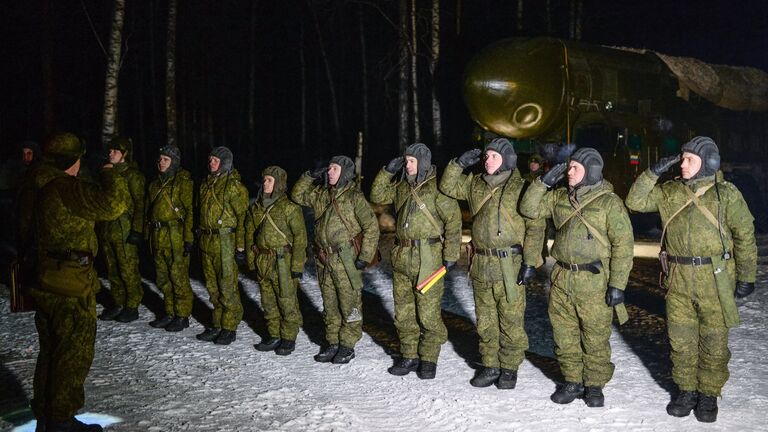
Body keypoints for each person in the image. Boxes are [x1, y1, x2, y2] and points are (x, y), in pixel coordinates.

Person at [625, 136, 757, 423]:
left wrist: (747, 275)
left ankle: (708, 395)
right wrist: (653, 172)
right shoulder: (670, 191)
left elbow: (745, 236)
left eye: (689, 159)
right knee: (681, 340)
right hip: (678, 278)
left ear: (708, 162)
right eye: (682, 158)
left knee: (713, 341)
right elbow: (634, 201)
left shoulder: (726, 194)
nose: (683, 164)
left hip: (715, 279)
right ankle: (686, 391)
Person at [29, 132, 129, 431]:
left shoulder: (32, 183)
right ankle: (61, 420)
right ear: (72, 160)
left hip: (44, 277)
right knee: (73, 351)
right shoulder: (65, 187)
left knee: (50, 349)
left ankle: (47, 416)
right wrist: (108, 172)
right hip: (70, 281)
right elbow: (114, 205)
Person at [520, 147, 633, 407]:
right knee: (564, 333)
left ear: (591, 171)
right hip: (561, 277)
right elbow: (529, 209)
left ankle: (594, 385)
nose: (569, 172)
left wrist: (617, 284)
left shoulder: (609, 202)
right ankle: (572, 380)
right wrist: (543, 183)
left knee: (595, 335)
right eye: (569, 167)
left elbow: (624, 246)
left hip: (594, 279)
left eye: (575, 168)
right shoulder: (560, 197)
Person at [440, 138, 546, 389]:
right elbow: (447, 187)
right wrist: (458, 164)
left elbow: (535, 226)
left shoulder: (521, 188)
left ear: (507, 160)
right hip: (481, 264)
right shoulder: (475, 185)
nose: (487, 161)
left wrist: (530, 261)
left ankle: (509, 368)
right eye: (486, 156)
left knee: (510, 319)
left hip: (509, 265)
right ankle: (490, 365)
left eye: (494, 156)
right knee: (485, 319)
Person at [371, 143, 461, 379]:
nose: (407, 164)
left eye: (411, 160)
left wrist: (450, 255)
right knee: (404, 312)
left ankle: (429, 358)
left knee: (428, 313)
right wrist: (387, 172)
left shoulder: (438, 189)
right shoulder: (401, 187)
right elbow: (377, 195)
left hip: (428, 259)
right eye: (406, 160)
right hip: (402, 257)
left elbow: (453, 221)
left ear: (422, 162)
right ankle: (409, 355)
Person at [291, 155, 379, 364]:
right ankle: (332, 342)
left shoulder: (354, 197)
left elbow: (371, 227)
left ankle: (348, 344)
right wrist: (309, 176)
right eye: (328, 169)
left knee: (350, 303)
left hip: (347, 258)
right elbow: (297, 195)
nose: (329, 172)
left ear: (345, 173)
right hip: (324, 258)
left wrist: (364, 256)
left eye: (334, 169)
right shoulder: (321, 194)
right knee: (329, 303)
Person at [245, 166, 308, 355]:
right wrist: (251, 260)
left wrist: (297, 265)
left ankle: (288, 337)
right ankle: (273, 335)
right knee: (268, 301)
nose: (265, 183)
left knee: (286, 300)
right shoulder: (256, 206)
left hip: (283, 261)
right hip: (263, 260)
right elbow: (249, 234)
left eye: (270, 180)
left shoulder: (289, 207)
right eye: (264, 179)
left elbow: (300, 237)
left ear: (279, 184)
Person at [195, 146, 249, 345]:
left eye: (215, 160)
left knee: (227, 285)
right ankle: (217, 323)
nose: (211, 163)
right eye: (209, 160)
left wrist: (241, 247)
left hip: (226, 241)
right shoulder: (205, 184)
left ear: (225, 162)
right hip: (207, 240)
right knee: (212, 285)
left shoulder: (234, 186)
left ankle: (229, 325)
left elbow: (243, 218)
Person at [145, 145, 195, 332]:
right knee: (162, 277)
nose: (161, 162)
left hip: (176, 236)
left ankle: (182, 315)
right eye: (160, 159)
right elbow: (148, 212)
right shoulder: (154, 184)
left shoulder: (183, 182)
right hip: (158, 236)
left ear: (174, 162)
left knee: (178, 277)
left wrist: (188, 238)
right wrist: (146, 235)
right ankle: (169, 312)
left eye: (165, 159)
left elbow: (190, 211)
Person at [98, 137, 146, 323]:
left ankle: (132, 305)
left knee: (128, 269)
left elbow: (140, 203)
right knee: (112, 269)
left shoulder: (133, 175)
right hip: (108, 228)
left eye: (115, 151)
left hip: (125, 228)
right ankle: (118, 303)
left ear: (124, 154)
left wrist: (137, 230)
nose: (111, 154)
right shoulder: (106, 172)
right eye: (110, 151)